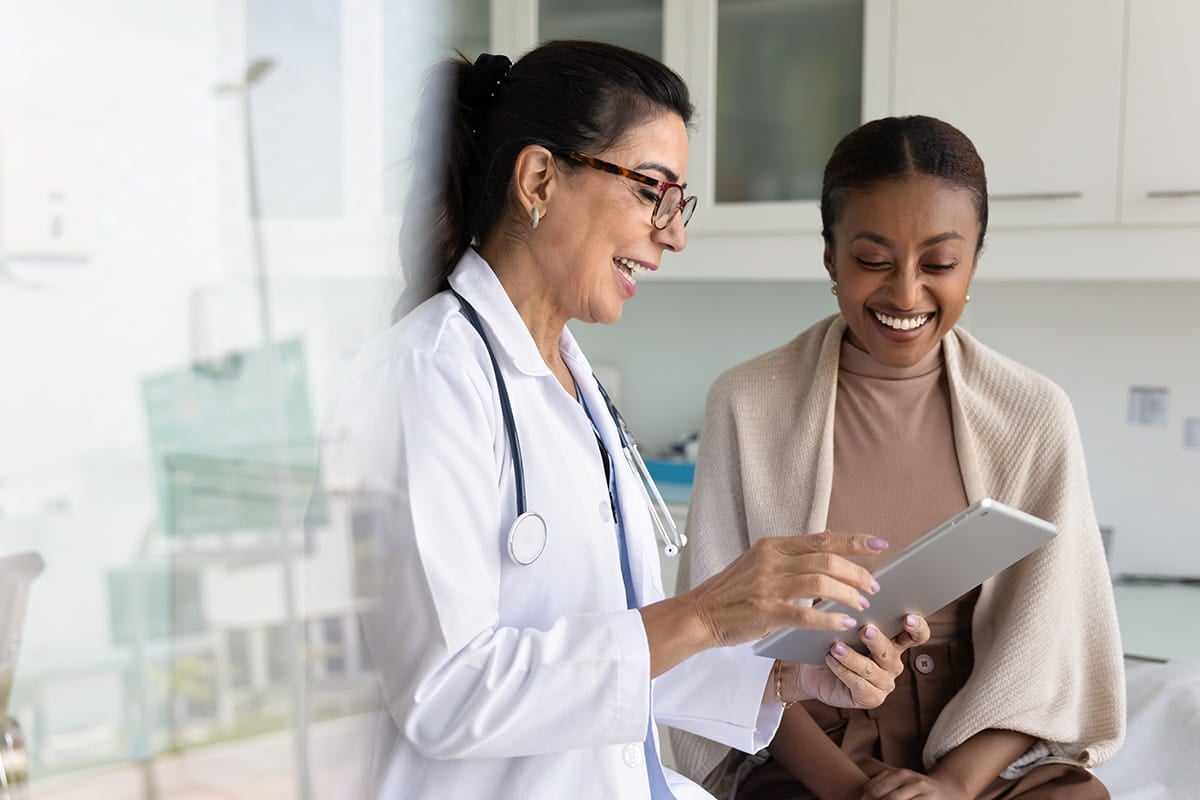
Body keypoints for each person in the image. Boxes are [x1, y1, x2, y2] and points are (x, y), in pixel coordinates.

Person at [320, 43, 932, 800]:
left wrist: (790, 676)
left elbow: (611, 652)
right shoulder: (423, 377)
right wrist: (706, 613)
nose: (672, 234)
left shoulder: (574, 386)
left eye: (677, 203)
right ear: (539, 178)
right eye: (651, 190)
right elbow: (448, 692)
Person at [670, 116, 1125, 800]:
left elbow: (1051, 654)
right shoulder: (748, 403)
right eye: (873, 260)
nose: (906, 294)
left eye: (939, 264)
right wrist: (854, 790)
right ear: (830, 258)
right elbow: (719, 651)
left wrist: (949, 787)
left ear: (974, 261)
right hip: (809, 746)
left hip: (980, 744)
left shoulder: (1033, 414)